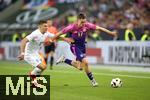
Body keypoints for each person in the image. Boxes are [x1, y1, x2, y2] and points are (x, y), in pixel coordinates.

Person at [53, 13, 117, 87]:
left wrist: (111, 32)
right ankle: (93, 81)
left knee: (80, 67)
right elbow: (60, 33)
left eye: (84, 22)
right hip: (75, 46)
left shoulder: (87, 25)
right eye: (82, 22)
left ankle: (64, 59)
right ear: (77, 20)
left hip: (83, 46)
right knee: (85, 62)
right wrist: (52, 39)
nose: (83, 24)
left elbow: (99, 28)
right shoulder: (72, 27)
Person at [18, 20, 54, 87]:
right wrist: (22, 53)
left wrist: (65, 39)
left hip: (35, 53)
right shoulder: (35, 34)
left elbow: (55, 36)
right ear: (40, 26)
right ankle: (32, 80)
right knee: (42, 67)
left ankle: (33, 82)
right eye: (45, 26)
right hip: (28, 54)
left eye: (47, 26)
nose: (47, 27)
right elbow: (23, 41)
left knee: (43, 67)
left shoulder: (46, 33)